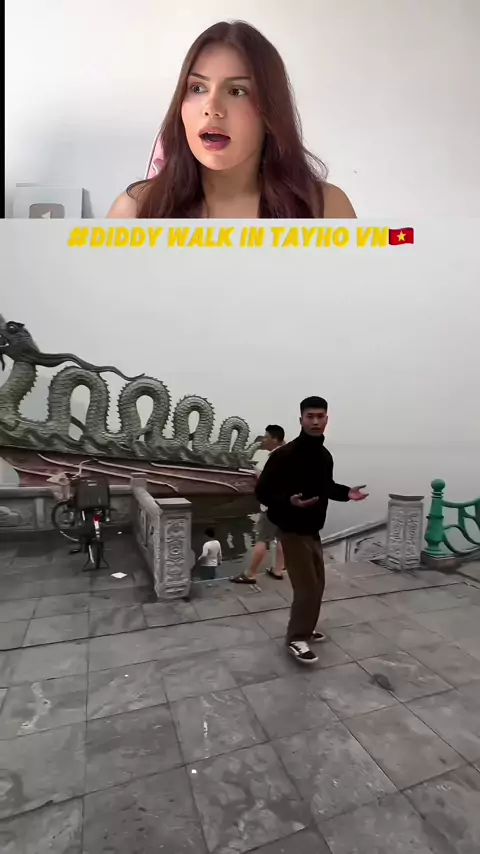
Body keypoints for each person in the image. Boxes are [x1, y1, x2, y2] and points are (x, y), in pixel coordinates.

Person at [108, 21, 356, 219]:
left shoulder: (326, 210)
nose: (212, 109)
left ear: (271, 110)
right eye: (197, 88)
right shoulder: (134, 211)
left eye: (237, 91)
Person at [255, 397, 368, 665]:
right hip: (291, 529)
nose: (315, 421)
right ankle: (296, 638)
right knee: (306, 587)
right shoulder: (284, 455)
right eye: (310, 416)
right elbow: (262, 492)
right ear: (301, 420)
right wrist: (289, 501)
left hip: (313, 529)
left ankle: (305, 628)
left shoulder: (323, 455)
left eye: (320, 416)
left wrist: (346, 493)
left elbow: (325, 486)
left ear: (327, 419)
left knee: (317, 585)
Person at [231, 424, 285, 585]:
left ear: (275, 439)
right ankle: (278, 570)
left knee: (262, 539)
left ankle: (250, 574)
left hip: (272, 506)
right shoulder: (290, 455)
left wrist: (257, 474)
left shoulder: (275, 457)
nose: (263, 440)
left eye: (266, 437)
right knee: (281, 538)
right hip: (286, 505)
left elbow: (268, 481)